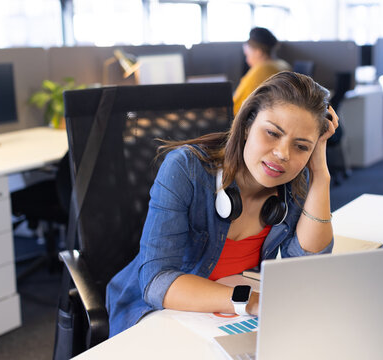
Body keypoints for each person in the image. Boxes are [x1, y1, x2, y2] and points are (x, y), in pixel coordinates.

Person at [106, 71, 339, 337]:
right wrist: (250, 302)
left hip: (224, 318)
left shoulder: (297, 179)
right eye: (272, 133)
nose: (283, 154)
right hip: (158, 311)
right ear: (248, 123)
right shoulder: (186, 169)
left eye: (301, 146)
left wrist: (320, 173)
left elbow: (307, 267)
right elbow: (157, 283)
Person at [233, 27, 291, 115]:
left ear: (258, 52)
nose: (246, 60)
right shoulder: (282, 64)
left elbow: (238, 108)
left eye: (247, 55)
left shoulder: (261, 70)